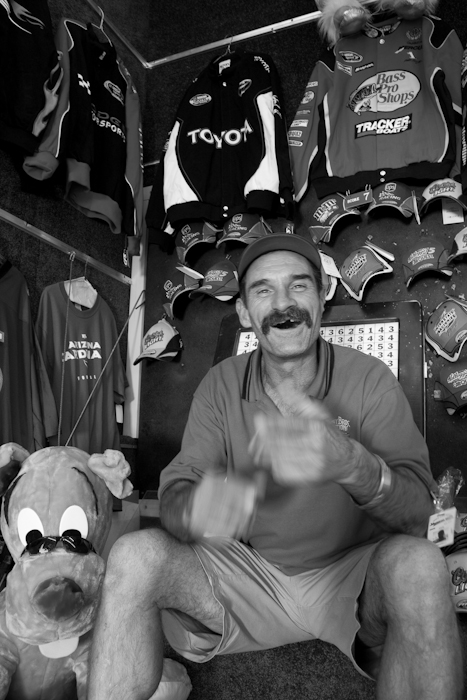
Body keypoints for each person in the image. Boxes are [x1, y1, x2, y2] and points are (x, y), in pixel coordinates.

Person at [87, 233, 463, 700]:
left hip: (350, 578)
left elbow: (425, 520)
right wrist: (236, 497)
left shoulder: (370, 379)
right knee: (133, 555)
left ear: (323, 297)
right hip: (252, 575)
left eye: (299, 286)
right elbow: (178, 496)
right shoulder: (221, 384)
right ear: (245, 312)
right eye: (263, 290)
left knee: (421, 566)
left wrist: (354, 465)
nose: (283, 304)